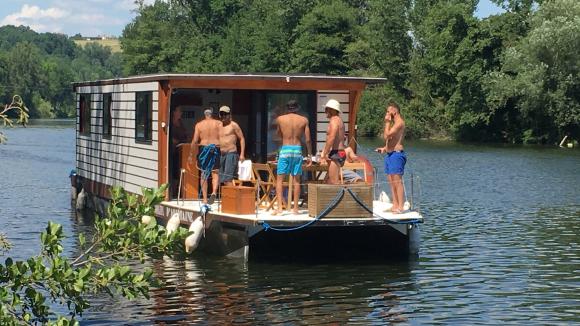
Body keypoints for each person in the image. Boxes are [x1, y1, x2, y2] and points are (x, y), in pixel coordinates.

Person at [273, 100, 312, 215]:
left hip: (285, 149)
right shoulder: (304, 120)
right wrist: (309, 155)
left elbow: (278, 134)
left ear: (287, 108)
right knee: (297, 181)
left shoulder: (280, 119)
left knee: (279, 180)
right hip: (297, 150)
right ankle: (295, 209)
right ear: (297, 108)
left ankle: (280, 208)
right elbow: (308, 140)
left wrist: (285, 136)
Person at [375, 101, 406, 213]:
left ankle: (401, 207)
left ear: (394, 111)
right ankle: (395, 205)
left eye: (388, 111)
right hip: (390, 155)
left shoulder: (399, 123)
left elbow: (386, 135)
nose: (387, 113)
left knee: (397, 181)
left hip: (397, 155)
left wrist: (387, 122)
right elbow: (391, 140)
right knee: (391, 181)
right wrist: (384, 148)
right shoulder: (395, 124)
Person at [189, 108, 221, 204]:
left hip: (204, 148)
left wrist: (191, 154)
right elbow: (223, 136)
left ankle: (204, 199)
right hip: (215, 147)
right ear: (212, 115)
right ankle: (214, 192)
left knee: (204, 174)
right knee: (215, 173)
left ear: (205, 115)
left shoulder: (199, 125)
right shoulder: (218, 123)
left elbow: (195, 140)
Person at [320, 99, 346, 184]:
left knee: (333, 182)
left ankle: (340, 197)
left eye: (327, 109)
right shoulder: (339, 120)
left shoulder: (334, 120)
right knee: (328, 181)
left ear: (333, 110)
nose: (325, 111)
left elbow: (332, 137)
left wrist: (324, 154)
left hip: (337, 153)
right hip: (339, 152)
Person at [218, 105, 246, 186]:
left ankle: (233, 198)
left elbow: (242, 138)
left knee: (228, 178)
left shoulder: (234, 125)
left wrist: (242, 154)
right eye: (221, 114)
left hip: (231, 153)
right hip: (222, 155)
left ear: (229, 114)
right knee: (222, 179)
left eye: (225, 114)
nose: (223, 116)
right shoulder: (219, 126)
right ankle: (227, 197)